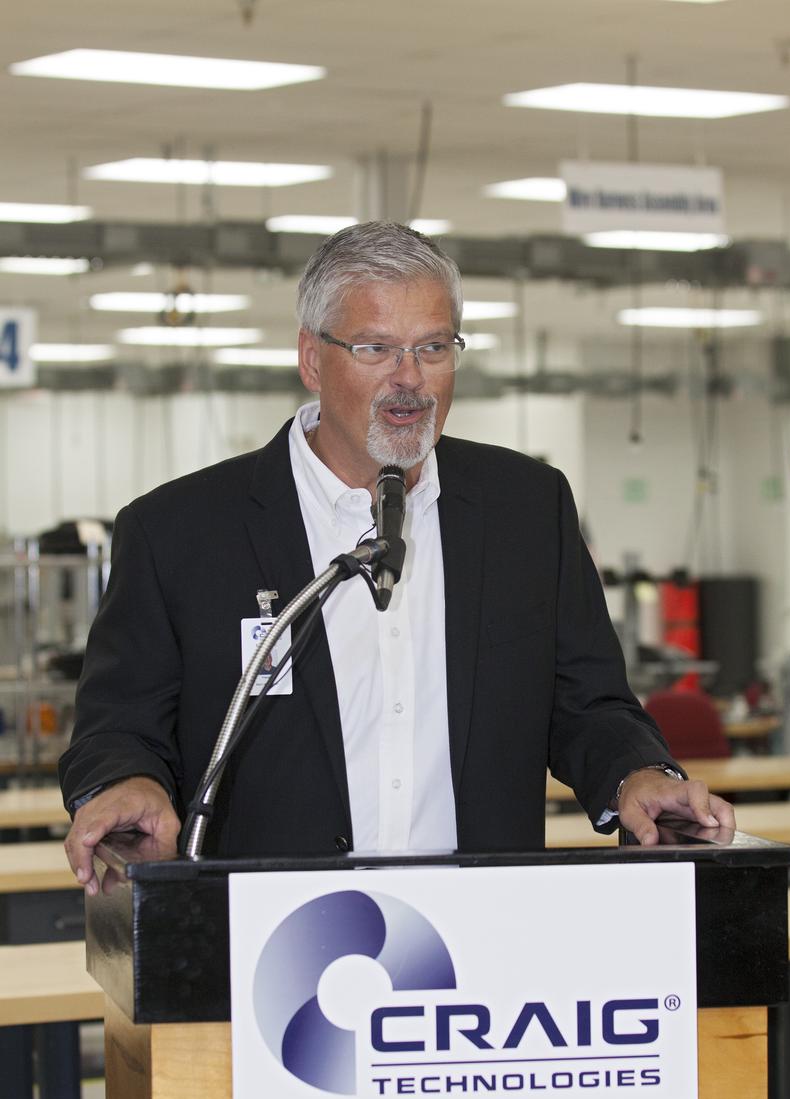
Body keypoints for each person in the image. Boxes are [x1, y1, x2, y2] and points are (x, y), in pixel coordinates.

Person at [60, 221, 734, 894]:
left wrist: (637, 773)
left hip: (480, 933)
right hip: (268, 938)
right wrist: (126, 782)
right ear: (312, 358)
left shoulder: (526, 509)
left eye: (433, 347)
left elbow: (588, 702)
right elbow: (119, 723)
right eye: (375, 348)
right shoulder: (180, 530)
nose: (409, 379)